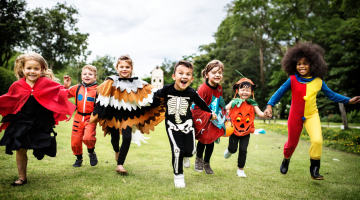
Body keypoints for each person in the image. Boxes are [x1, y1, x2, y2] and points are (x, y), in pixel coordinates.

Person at [263, 42, 360, 180]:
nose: (301, 66)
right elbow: (279, 93)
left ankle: (315, 169)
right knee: (291, 143)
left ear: (314, 64)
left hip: (312, 115)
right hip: (295, 116)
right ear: (293, 65)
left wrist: (348, 100)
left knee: (317, 141)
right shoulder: (292, 79)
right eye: (298, 63)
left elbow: (332, 95)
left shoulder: (319, 81)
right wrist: (269, 105)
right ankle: (286, 159)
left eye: (305, 63)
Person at [0, 52, 76, 186]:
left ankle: (40, 150)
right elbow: (9, 98)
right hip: (21, 121)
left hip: (40, 121)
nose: (32, 71)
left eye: (36, 69)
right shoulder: (17, 85)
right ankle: (22, 177)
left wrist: (66, 87)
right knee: (20, 148)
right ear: (22, 69)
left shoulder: (46, 83)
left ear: (42, 70)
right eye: (29, 68)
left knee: (41, 147)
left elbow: (60, 94)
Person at [89, 54, 165, 175]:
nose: (124, 69)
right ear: (117, 68)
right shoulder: (110, 81)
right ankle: (116, 151)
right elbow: (101, 96)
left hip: (128, 116)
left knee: (127, 137)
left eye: (127, 67)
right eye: (122, 66)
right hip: (113, 114)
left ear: (131, 68)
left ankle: (120, 164)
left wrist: (168, 92)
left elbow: (153, 92)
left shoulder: (138, 83)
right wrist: (98, 114)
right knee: (115, 139)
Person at [153, 60, 216, 188]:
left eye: (188, 74)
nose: (184, 76)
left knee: (190, 151)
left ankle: (185, 156)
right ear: (174, 76)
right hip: (171, 125)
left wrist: (211, 113)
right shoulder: (166, 90)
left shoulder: (192, 92)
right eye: (180, 73)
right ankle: (178, 175)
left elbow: (202, 103)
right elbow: (153, 98)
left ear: (191, 78)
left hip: (187, 124)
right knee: (177, 150)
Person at [223, 77, 266, 177]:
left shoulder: (252, 104)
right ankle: (229, 150)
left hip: (246, 131)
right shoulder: (233, 102)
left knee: (243, 149)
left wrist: (266, 114)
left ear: (251, 92)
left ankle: (240, 169)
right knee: (233, 149)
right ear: (238, 91)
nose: (245, 92)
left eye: (248, 90)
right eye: (242, 90)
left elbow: (260, 113)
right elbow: (224, 109)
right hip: (234, 130)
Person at [191, 60, 226, 175]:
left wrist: (223, 115)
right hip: (203, 119)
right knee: (203, 140)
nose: (217, 75)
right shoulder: (203, 89)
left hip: (214, 119)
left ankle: (207, 162)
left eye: (220, 72)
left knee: (211, 141)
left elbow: (218, 102)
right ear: (207, 74)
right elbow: (196, 107)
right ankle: (199, 159)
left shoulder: (219, 88)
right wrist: (208, 115)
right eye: (214, 72)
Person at [63, 65, 98, 167]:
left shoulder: (98, 90)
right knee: (75, 141)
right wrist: (66, 87)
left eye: (90, 74)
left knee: (88, 137)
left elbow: (102, 105)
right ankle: (79, 159)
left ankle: (91, 153)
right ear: (81, 76)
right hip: (78, 117)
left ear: (95, 77)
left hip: (90, 118)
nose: (87, 76)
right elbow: (65, 94)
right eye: (85, 74)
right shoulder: (77, 88)